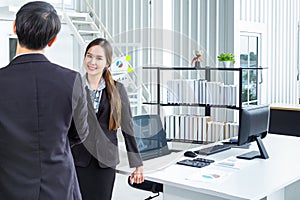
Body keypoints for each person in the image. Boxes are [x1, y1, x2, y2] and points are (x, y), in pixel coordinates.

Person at [0, 1, 90, 199]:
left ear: (15, 28)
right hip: (59, 185)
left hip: (8, 185)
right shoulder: (71, 80)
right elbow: (80, 133)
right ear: (53, 40)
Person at [70, 38, 145, 200]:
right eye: (89, 56)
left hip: (105, 162)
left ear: (107, 63)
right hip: (78, 160)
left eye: (98, 58)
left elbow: (128, 127)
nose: (92, 62)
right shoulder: (73, 86)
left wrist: (137, 164)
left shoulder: (118, 90)